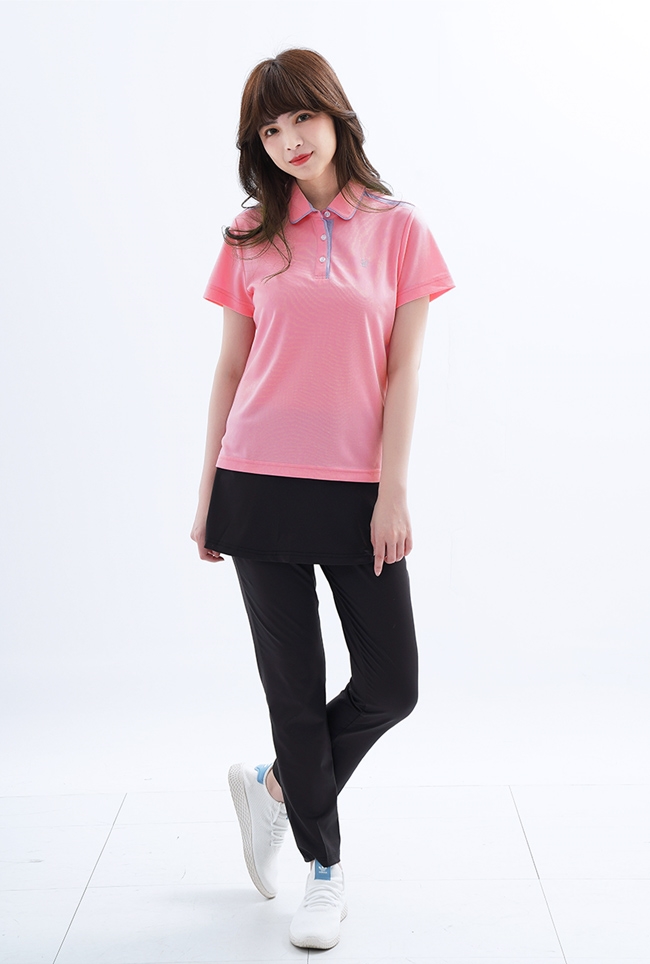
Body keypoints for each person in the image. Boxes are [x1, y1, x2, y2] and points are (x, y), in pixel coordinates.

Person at [191, 48, 454, 950]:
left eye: (301, 116)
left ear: (335, 113)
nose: (289, 139)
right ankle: (325, 873)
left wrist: (392, 490)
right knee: (293, 690)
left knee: (392, 684)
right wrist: (207, 493)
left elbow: (404, 369)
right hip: (257, 483)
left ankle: (275, 787)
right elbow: (230, 371)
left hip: (356, 493)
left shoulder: (400, 228)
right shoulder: (250, 232)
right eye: (269, 128)